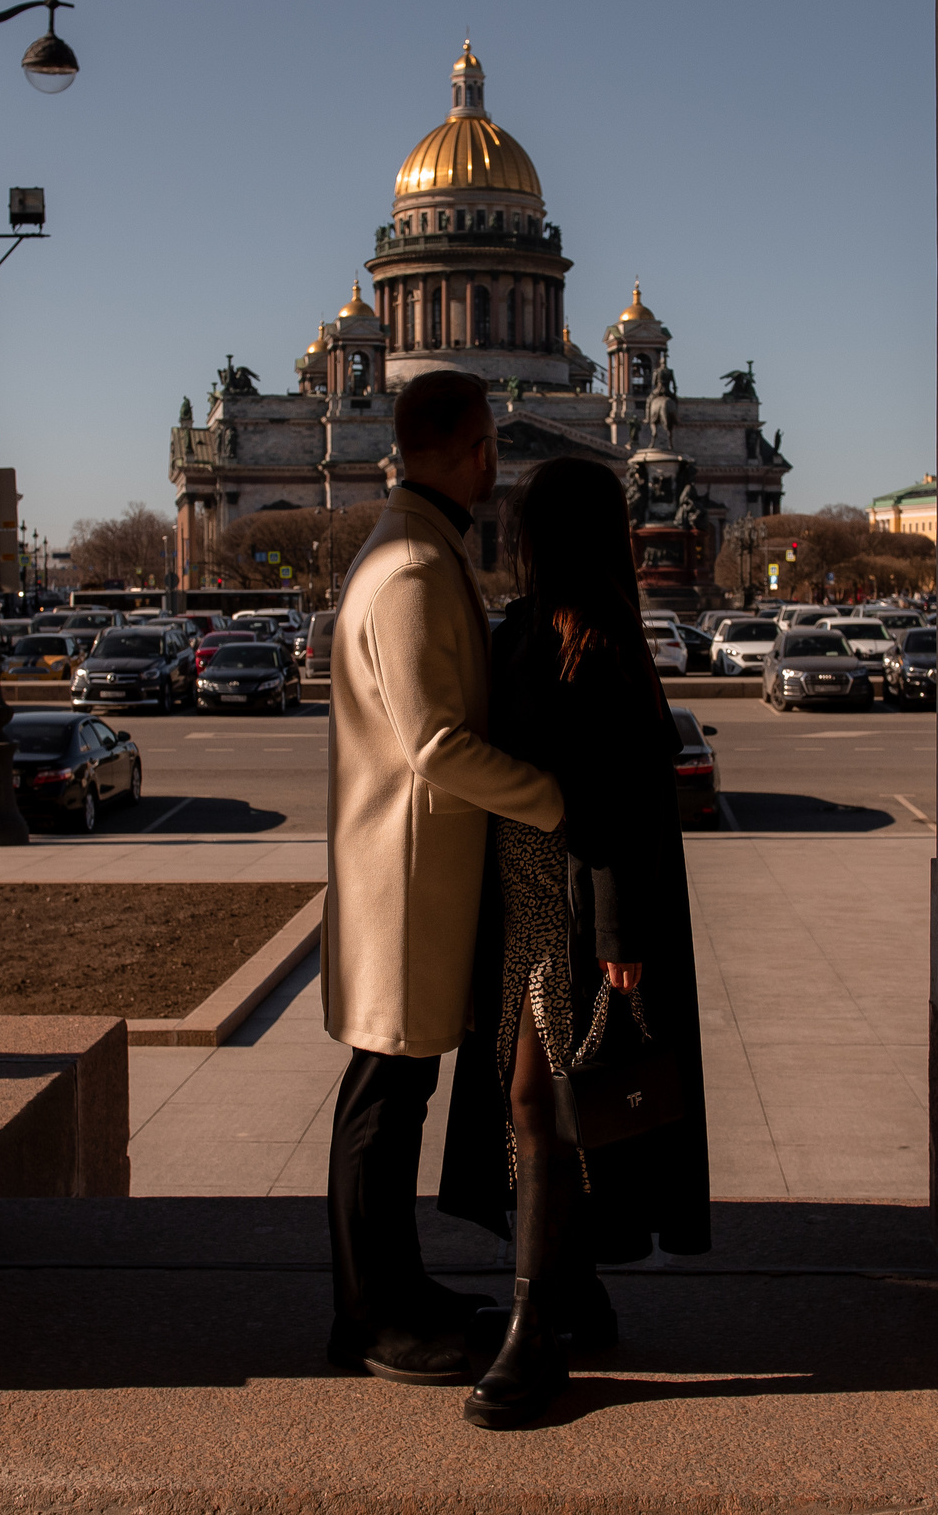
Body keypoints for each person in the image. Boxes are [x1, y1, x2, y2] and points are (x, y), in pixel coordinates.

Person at [439, 455, 712, 1429]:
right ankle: (579, 1285)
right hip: (520, 903)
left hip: (565, 913)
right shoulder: (528, 627)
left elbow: (621, 800)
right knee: (541, 1103)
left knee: (541, 1105)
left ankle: (533, 1326)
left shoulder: (594, 643)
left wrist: (616, 931)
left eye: (527, 521)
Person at [323, 371, 566, 1384]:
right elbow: (435, 746)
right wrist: (553, 799)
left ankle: (396, 1292)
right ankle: (374, 1317)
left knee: (393, 1096)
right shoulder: (417, 566)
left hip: (403, 871)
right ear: (477, 451)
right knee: (383, 1106)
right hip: (409, 877)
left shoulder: (411, 547)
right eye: (490, 448)